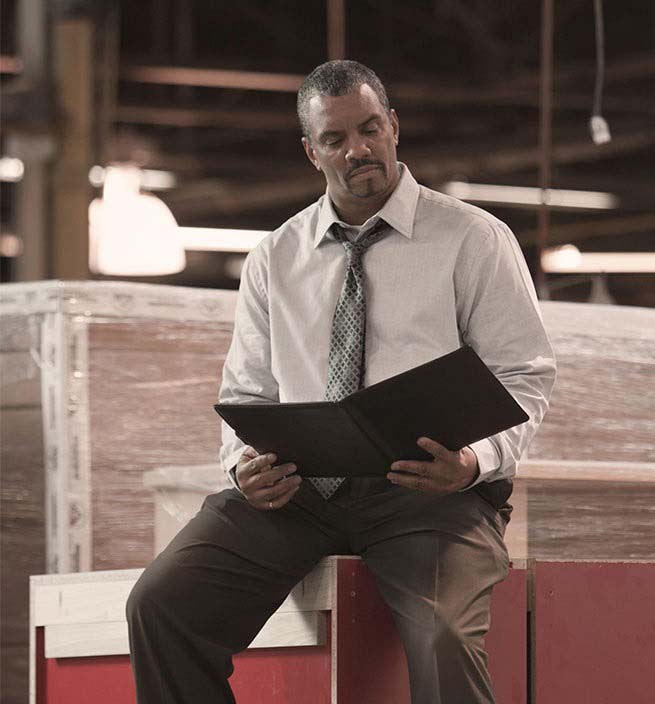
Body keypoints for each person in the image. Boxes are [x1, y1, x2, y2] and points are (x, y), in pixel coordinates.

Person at [125, 60, 556, 704]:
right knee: (159, 606)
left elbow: (524, 378)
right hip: (300, 492)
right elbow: (246, 393)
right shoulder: (275, 256)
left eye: (370, 128)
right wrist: (243, 466)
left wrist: (472, 463)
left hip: (429, 491)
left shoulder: (474, 240)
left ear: (393, 128)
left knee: (443, 636)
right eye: (335, 139)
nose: (358, 149)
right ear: (311, 152)